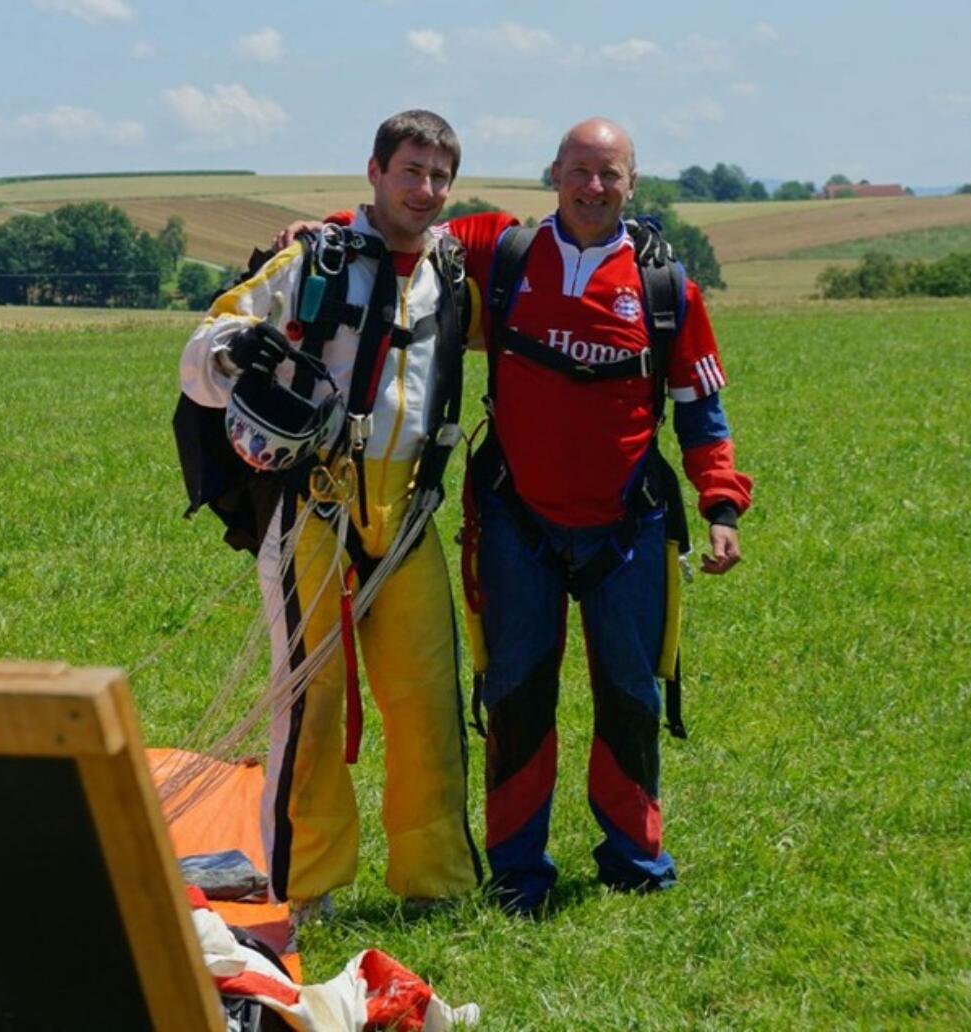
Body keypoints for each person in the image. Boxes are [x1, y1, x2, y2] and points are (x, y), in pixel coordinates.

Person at [179, 110, 482, 930]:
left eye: (439, 176)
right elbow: (207, 341)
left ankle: (439, 881)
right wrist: (237, 357)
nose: (425, 190)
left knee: (427, 700)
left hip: (409, 508)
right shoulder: (315, 257)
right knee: (311, 702)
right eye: (410, 171)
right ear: (376, 172)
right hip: (316, 504)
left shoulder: (451, 271)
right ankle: (306, 886)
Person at [451, 117, 752, 913]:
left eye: (609, 174)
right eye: (580, 170)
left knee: (630, 695)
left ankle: (632, 858)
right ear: (554, 173)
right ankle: (518, 869)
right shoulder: (502, 252)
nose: (593, 187)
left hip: (628, 527)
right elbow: (400, 225)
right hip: (519, 521)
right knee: (516, 695)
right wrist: (324, 226)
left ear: (632, 183)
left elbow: (700, 408)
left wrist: (721, 504)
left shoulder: (666, 287)